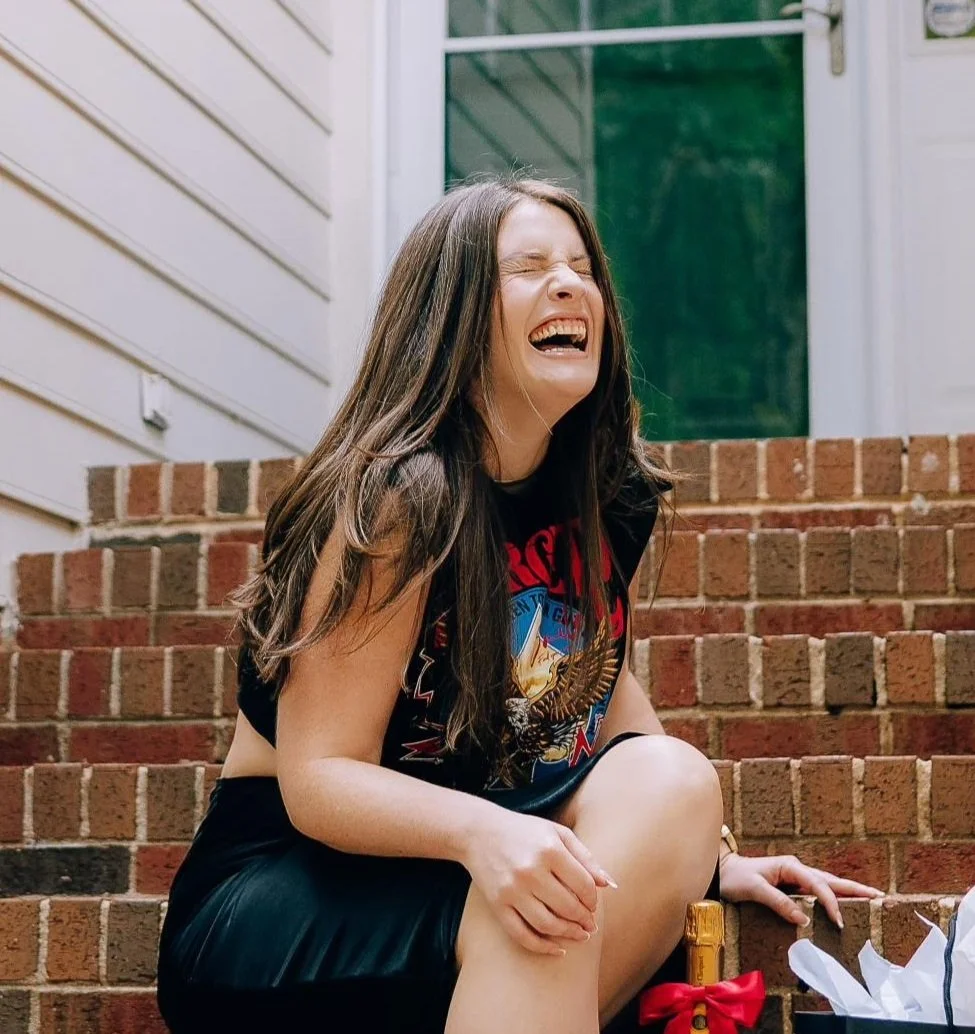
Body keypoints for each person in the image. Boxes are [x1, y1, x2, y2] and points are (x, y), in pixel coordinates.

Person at [156, 177, 882, 1034]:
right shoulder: (400, 498)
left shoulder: (601, 491)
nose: (571, 285)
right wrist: (484, 836)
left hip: (462, 875)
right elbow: (318, 781)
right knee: (539, 907)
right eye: (529, 268)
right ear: (450, 315)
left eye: (581, 268)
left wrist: (704, 859)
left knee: (670, 781)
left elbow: (595, 684)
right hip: (283, 893)